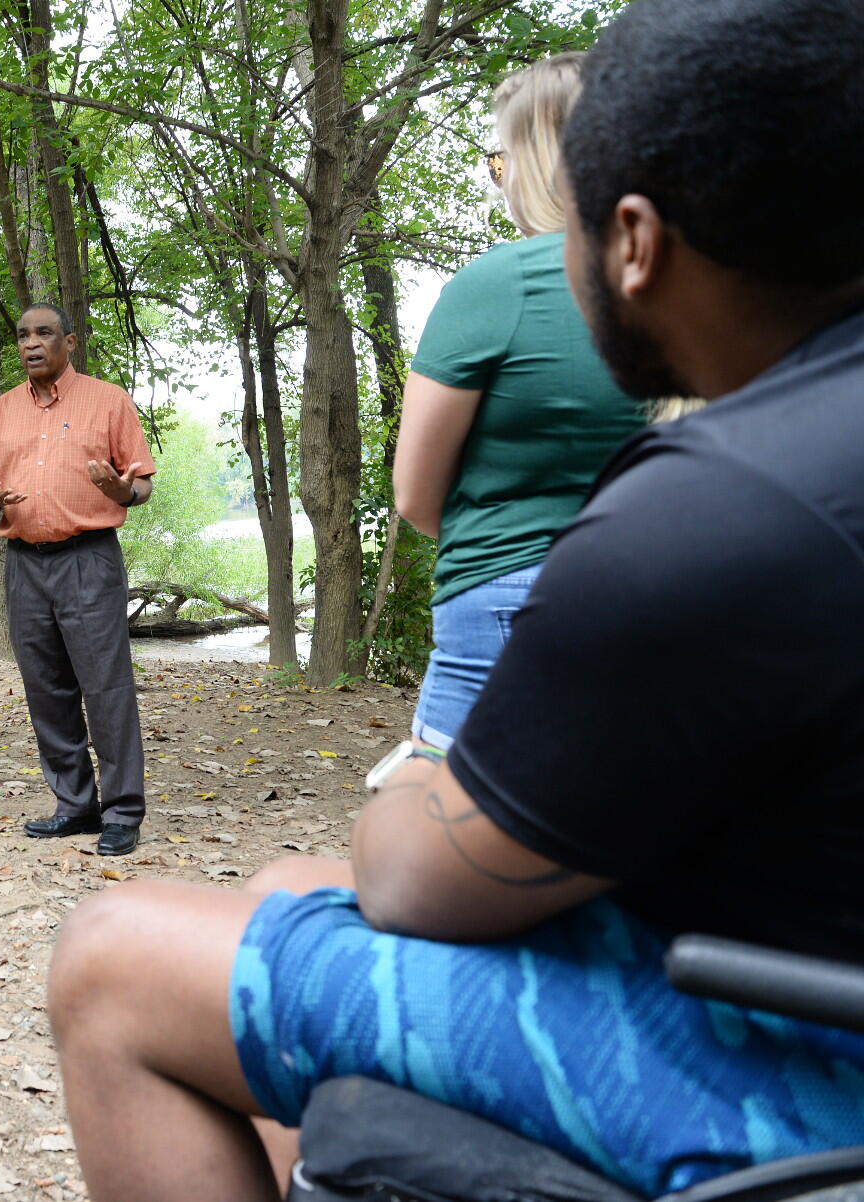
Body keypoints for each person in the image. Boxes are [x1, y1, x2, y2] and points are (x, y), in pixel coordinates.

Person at [45, 2, 864, 1198]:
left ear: (631, 239)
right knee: (280, 886)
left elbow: (413, 878)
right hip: (797, 954)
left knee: (109, 958)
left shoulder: (712, 509)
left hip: (787, 1065)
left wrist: (427, 770)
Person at [391, 53, 643, 753]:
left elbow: (415, 496)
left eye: (500, 161)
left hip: (510, 599)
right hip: (671, 593)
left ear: (537, 162)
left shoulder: (498, 283)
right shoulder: (695, 281)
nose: (499, 182)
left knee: (437, 840)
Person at [0, 304, 157, 857]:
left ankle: (122, 812)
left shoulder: (108, 401)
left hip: (88, 558)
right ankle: (74, 805)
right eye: (23, 335)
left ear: (68, 342)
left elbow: (141, 482)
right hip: (24, 564)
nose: (31, 343)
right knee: (46, 689)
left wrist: (121, 492)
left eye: (44, 333)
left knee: (106, 686)